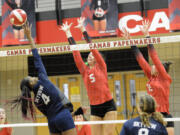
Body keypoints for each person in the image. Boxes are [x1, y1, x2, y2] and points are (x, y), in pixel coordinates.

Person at [9, 22, 77, 135]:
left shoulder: (35, 101)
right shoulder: (42, 79)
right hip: (63, 115)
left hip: (52, 122)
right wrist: (29, 37)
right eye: (31, 77)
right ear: (31, 82)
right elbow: (37, 57)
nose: (34, 76)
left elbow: (48, 113)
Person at [61, 17, 117, 135]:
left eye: (93, 55)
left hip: (108, 105)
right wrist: (68, 33)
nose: (91, 56)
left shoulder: (102, 66)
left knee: (108, 134)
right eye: (89, 55)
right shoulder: (84, 70)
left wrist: (83, 29)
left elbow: (92, 47)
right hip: (95, 108)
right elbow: (76, 54)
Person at [122, 20, 174, 135]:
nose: (152, 65)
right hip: (151, 115)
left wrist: (147, 35)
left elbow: (154, 56)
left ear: (161, 69)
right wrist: (131, 41)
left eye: (154, 65)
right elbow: (140, 59)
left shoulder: (165, 78)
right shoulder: (151, 76)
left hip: (164, 115)